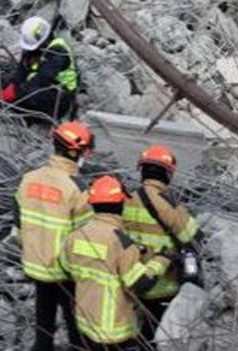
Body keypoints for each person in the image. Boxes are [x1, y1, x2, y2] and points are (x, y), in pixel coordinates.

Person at [61, 175, 175, 351]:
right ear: (121, 204)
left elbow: (67, 267)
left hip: (86, 322)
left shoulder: (76, 235)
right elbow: (140, 283)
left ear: (92, 203)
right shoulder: (121, 242)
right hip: (114, 330)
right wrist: (161, 260)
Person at [14, 122, 94, 351]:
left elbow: (18, 219)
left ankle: (42, 347)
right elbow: (85, 236)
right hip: (65, 268)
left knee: (44, 310)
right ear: (76, 151)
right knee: (74, 316)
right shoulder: (76, 188)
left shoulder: (29, 178)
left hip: (35, 262)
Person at [123, 144, 203, 347]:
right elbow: (191, 235)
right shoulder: (166, 203)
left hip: (135, 278)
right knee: (159, 333)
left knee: (137, 329)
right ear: (167, 174)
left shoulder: (127, 200)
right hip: (163, 282)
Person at [0, 16, 79, 121]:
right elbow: (21, 72)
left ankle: (33, 117)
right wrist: (9, 86)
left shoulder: (59, 52)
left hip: (61, 96)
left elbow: (42, 78)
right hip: (41, 86)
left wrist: (15, 93)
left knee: (30, 94)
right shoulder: (35, 49)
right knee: (3, 83)